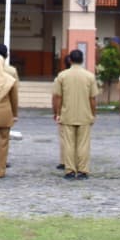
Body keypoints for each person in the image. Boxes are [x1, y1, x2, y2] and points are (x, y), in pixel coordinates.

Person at [51, 48, 98, 180]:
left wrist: (58, 112)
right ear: (82, 60)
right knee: (83, 144)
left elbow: (58, 97)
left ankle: (70, 170)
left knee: (68, 144)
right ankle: (83, 170)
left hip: (67, 114)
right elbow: (92, 98)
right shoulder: (89, 76)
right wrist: (93, 113)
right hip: (84, 114)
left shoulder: (62, 76)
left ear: (70, 60)